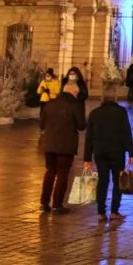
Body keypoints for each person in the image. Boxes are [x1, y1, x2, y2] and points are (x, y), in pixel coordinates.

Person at [84, 84, 133, 222]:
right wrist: (131, 152)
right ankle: (114, 211)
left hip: (100, 152)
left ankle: (101, 212)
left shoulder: (94, 113)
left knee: (102, 181)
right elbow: (126, 133)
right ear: (115, 97)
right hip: (117, 152)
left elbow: (89, 137)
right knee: (117, 181)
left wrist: (87, 158)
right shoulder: (121, 112)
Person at [39, 82, 86, 213]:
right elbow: (81, 125)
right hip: (66, 145)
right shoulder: (76, 106)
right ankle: (57, 204)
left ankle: (44, 203)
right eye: (76, 94)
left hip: (49, 144)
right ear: (73, 93)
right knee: (62, 173)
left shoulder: (50, 104)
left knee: (50, 171)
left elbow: (42, 124)